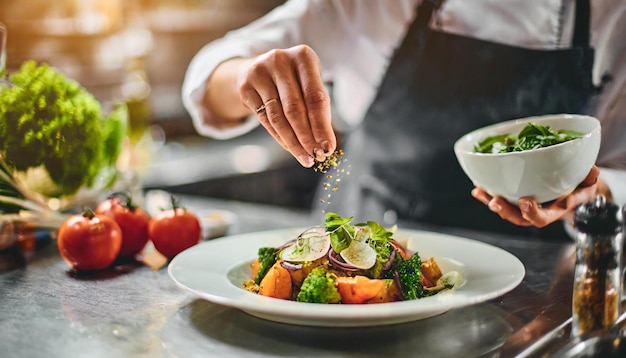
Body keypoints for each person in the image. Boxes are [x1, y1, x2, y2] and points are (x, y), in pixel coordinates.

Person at [182, 0, 626, 238]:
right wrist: (247, 75)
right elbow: (205, 80)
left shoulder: (612, 16)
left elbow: (615, 176)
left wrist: (590, 194)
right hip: (355, 245)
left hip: (526, 289)